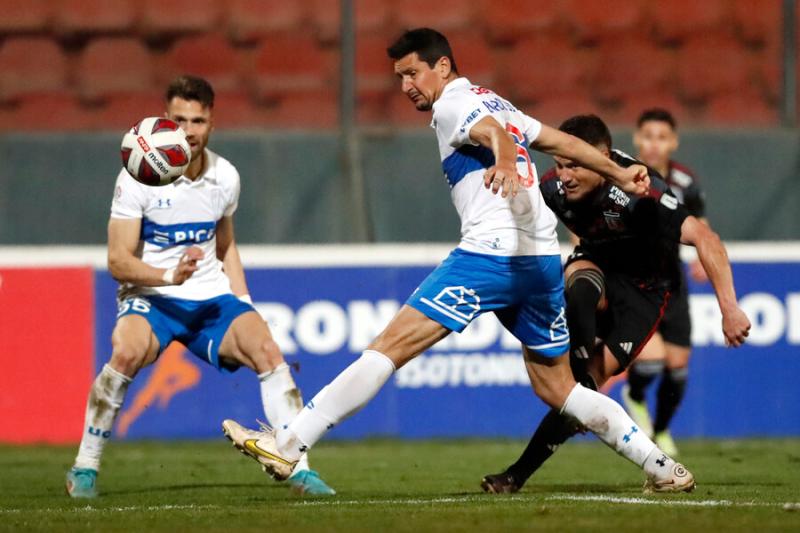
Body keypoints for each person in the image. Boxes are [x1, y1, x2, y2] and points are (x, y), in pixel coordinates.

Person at [221, 28, 697, 494]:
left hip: (489, 255)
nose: (406, 86)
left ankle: (290, 441)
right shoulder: (496, 100)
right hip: (539, 262)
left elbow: (491, 134)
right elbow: (558, 141)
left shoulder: (454, 104)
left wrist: (506, 160)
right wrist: (617, 169)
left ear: (442, 67)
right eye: (399, 77)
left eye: (412, 73)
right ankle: (659, 465)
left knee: (389, 346)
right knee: (562, 390)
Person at [65, 75, 334, 498]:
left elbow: (226, 245)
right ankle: (85, 467)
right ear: (164, 121)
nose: (188, 130)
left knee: (267, 350)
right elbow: (118, 260)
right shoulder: (138, 176)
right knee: (126, 351)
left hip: (210, 298)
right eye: (178, 119)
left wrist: (245, 304)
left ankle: (298, 468)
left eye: (198, 120)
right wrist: (167, 277)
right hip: (152, 298)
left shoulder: (225, 176)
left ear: (211, 124)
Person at [480, 114, 750, 493]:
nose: (565, 176)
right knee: (581, 287)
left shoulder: (643, 191)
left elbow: (706, 238)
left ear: (602, 158)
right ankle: (516, 474)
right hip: (597, 265)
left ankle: (525, 462)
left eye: (574, 164)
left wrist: (730, 308)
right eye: (560, 164)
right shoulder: (550, 189)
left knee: (584, 391)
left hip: (645, 291)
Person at [621, 109, 709, 457]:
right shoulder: (622, 174)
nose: (654, 144)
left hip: (673, 279)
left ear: (673, 141)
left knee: (678, 371)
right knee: (651, 362)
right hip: (633, 281)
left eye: (662, 137)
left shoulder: (686, 182)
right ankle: (635, 395)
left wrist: (705, 253)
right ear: (636, 138)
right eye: (648, 136)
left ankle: (660, 430)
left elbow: (701, 223)